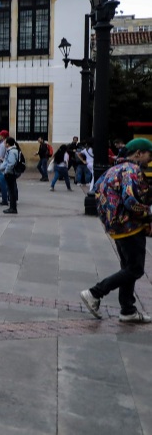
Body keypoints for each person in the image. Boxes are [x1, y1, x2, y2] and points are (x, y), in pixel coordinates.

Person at [79, 138, 152, 324]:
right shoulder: (132, 170)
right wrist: (148, 214)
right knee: (135, 269)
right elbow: (130, 200)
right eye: (148, 155)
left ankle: (128, 310)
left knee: (128, 268)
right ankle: (95, 292)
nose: (149, 160)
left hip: (116, 226)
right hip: (130, 226)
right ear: (138, 153)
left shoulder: (114, 169)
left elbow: (97, 190)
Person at [0, 137, 20, 214]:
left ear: (8, 144)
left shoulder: (12, 152)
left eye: (5, 142)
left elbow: (11, 163)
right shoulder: (12, 150)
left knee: (11, 191)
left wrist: (6, 171)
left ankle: (13, 208)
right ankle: (12, 207)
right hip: (10, 173)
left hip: (10, 173)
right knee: (11, 190)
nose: (4, 144)